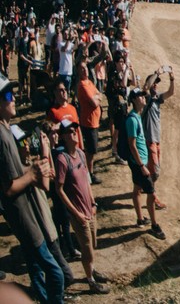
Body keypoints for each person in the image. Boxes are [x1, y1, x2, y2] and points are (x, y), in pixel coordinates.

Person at [0, 75, 66, 304]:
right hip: (23, 217)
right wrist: (31, 174)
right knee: (57, 275)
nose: (13, 99)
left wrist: (32, 168)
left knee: (37, 268)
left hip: (28, 215)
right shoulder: (0, 135)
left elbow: (14, 173)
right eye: (8, 95)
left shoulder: (6, 130)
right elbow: (7, 189)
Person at [53, 120, 110, 295]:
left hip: (90, 210)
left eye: (75, 130)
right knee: (86, 250)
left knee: (93, 245)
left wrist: (93, 203)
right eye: (70, 131)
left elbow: (87, 180)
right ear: (63, 136)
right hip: (79, 214)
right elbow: (59, 189)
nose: (74, 133)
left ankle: (92, 271)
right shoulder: (63, 160)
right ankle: (91, 281)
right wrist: (75, 213)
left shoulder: (80, 153)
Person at [124, 89, 166, 240]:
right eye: (140, 96)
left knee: (137, 189)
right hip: (139, 163)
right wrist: (142, 166)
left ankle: (140, 219)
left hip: (139, 161)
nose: (143, 97)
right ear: (134, 99)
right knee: (150, 192)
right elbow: (132, 144)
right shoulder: (132, 120)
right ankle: (154, 225)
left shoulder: (137, 116)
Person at [141, 67, 176, 211]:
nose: (156, 85)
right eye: (155, 83)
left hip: (156, 139)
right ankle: (153, 198)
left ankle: (147, 188)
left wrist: (172, 78)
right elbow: (146, 87)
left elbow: (171, 92)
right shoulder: (146, 98)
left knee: (153, 171)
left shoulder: (156, 99)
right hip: (149, 140)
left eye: (157, 83)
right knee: (154, 172)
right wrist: (156, 73)